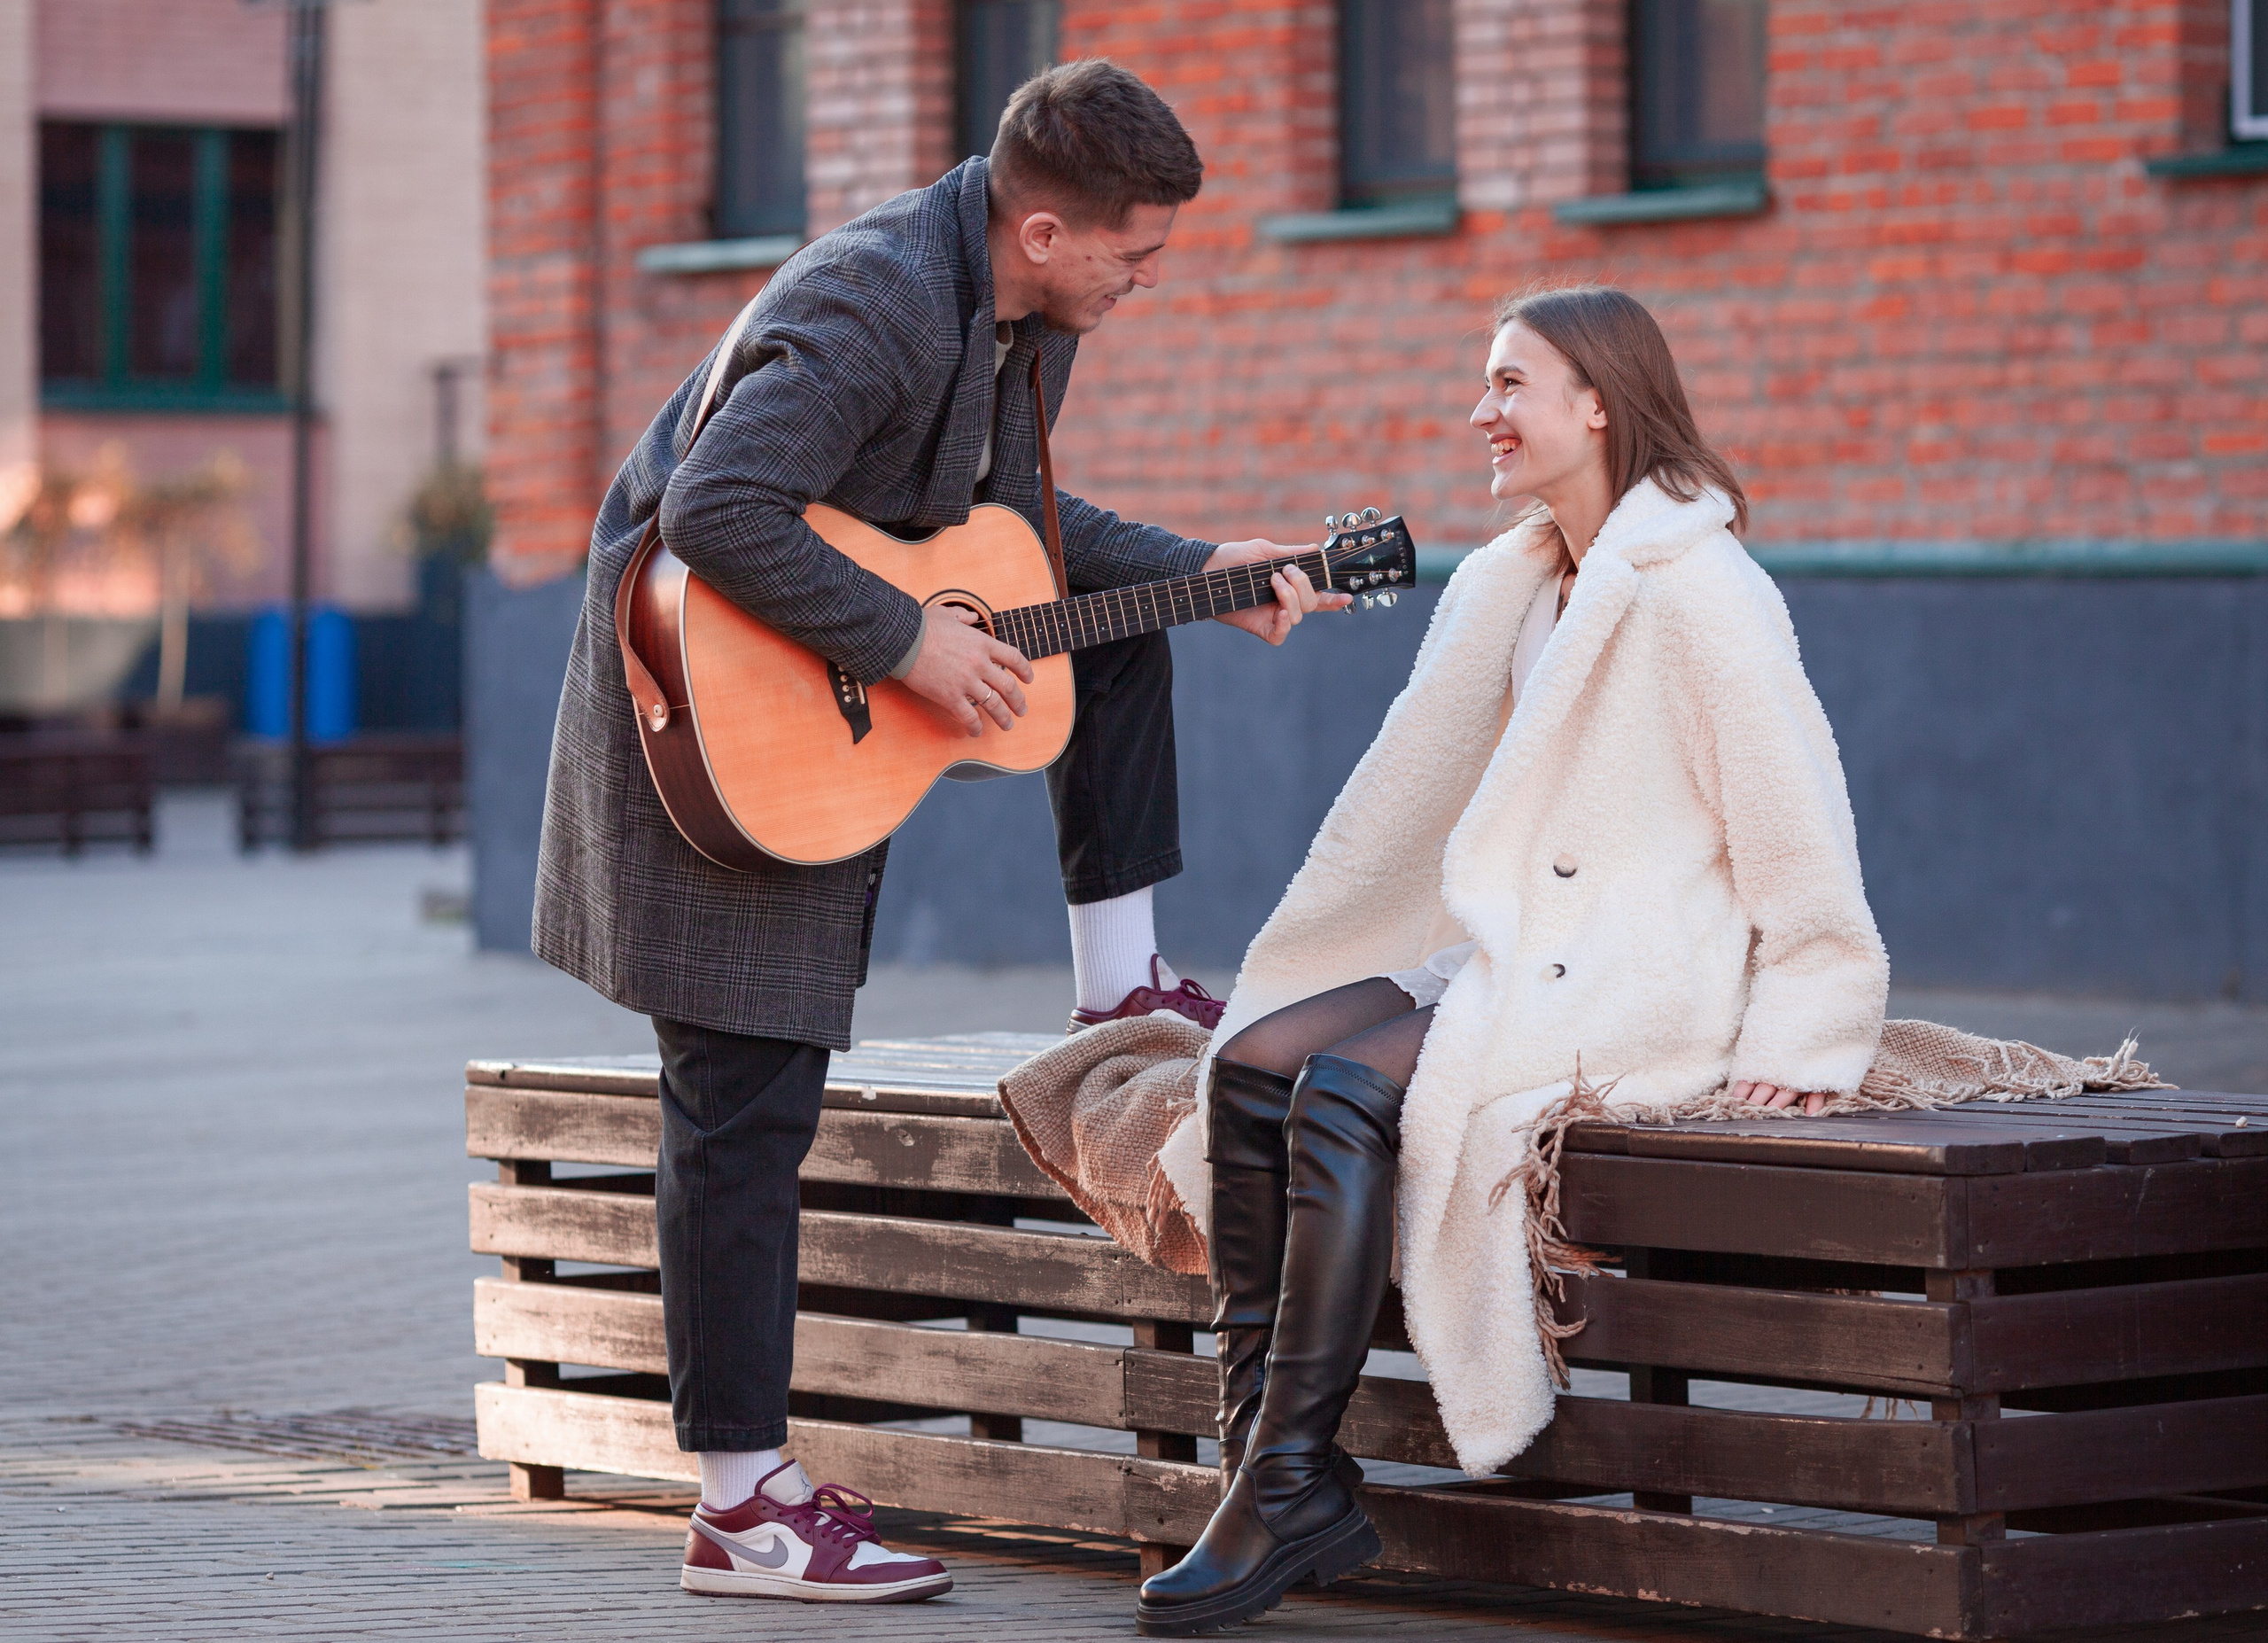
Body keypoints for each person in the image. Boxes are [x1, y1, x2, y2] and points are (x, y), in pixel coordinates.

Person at [532, 61, 1346, 1604]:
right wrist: (909, 643)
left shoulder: (1024, 314)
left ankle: (1123, 977)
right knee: (741, 1093)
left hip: (812, 669)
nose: (1147, 280)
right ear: (1042, 227)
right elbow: (717, 508)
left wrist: (1208, 566)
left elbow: (1017, 537)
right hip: (709, 701)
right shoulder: (880, 303)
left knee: (1116, 631)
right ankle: (740, 1507)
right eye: (1133, 254)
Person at [1134, 286, 1889, 1637]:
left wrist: (1812, 1018)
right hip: (1500, 947)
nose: (1481, 411)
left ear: (1596, 401)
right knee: (1248, 1063)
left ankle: (1285, 1478)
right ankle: (1269, 1455)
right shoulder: (1511, 578)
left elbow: (1798, 816)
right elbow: (1419, 793)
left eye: (1508, 384)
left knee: (1351, 1092)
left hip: (1626, 970)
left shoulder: (1706, 591)